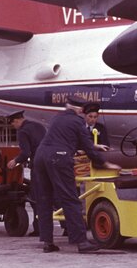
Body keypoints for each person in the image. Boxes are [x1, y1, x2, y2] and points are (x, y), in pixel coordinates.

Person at [32, 97, 119, 254]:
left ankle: (47, 242)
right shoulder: (77, 122)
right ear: (80, 110)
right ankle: (82, 242)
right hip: (59, 157)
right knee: (70, 199)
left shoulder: (57, 118)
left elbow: (66, 137)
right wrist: (103, 163)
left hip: (40, 156)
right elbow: (86, 146)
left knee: (44, 199)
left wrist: (93, 145)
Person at [6, 111, 46, 235]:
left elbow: (26, 153)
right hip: (50, 164)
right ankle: (65, 226)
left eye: (13, 125)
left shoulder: (22, 131)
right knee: (54, 196)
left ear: (17, 121)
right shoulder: (39, 126)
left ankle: (39, 229)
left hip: (38, 166)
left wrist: (15, 161)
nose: (14, 127)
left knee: (36, 198)